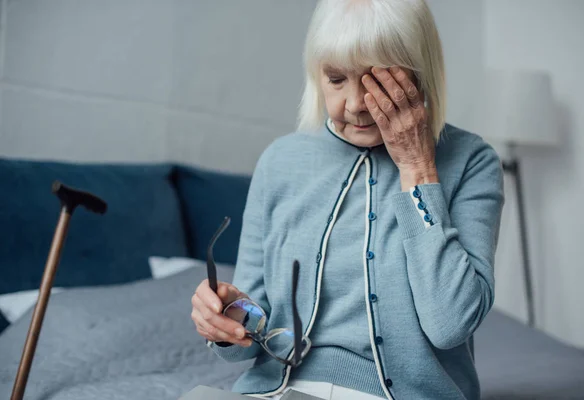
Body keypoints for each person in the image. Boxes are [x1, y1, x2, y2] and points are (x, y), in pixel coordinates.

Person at [190, 0, 504, 398]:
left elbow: (450, 323)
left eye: (376, 81)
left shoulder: (471, 161)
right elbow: (252, 338)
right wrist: (229, 318)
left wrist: (417, 167)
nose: (355, 105)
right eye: (336, 79)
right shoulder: (280, 161)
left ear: (419, 74)